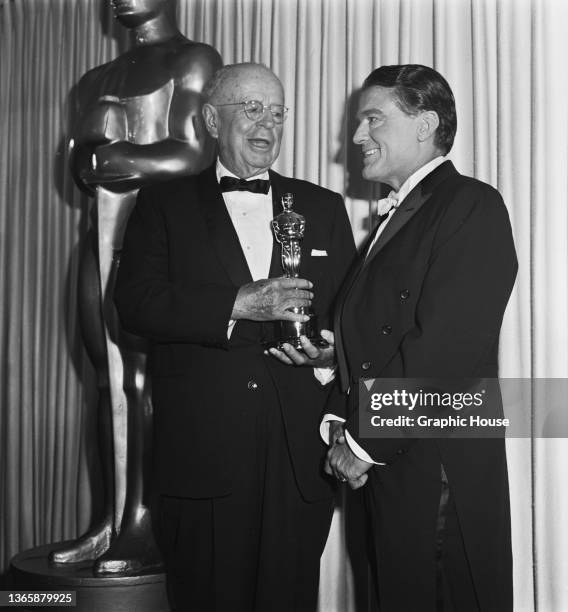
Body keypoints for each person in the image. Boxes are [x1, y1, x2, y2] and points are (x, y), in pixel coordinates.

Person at [114, 62, 356, 611]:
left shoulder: (322, 207)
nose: (265, 122)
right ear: (210, 120)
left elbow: (349, 317)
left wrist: (330, 353)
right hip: (202, 458)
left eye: (276, 111)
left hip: (298, 460)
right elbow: (134, 304)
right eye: (250, 108)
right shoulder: (162, 204)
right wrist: (236, 303)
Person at [324, 65, 517, 611]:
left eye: (373, 119)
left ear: (425, 124)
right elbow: (381, 343)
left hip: (437, 470)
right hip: (394, 467)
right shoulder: (404, 216)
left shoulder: (471, 206)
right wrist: (329, 369)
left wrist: (362, 440)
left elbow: (446, 350)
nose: (358, 136)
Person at [52, 0, 222, 574]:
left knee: (143, 381)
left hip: (157, 243)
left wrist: (118, 153)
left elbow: (196, 151)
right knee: (107, 381)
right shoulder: (95, 79)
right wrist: (92, 152)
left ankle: (143, 521)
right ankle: (107, 521)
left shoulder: (194, 60)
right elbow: (77, 166)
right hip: (97, 234)